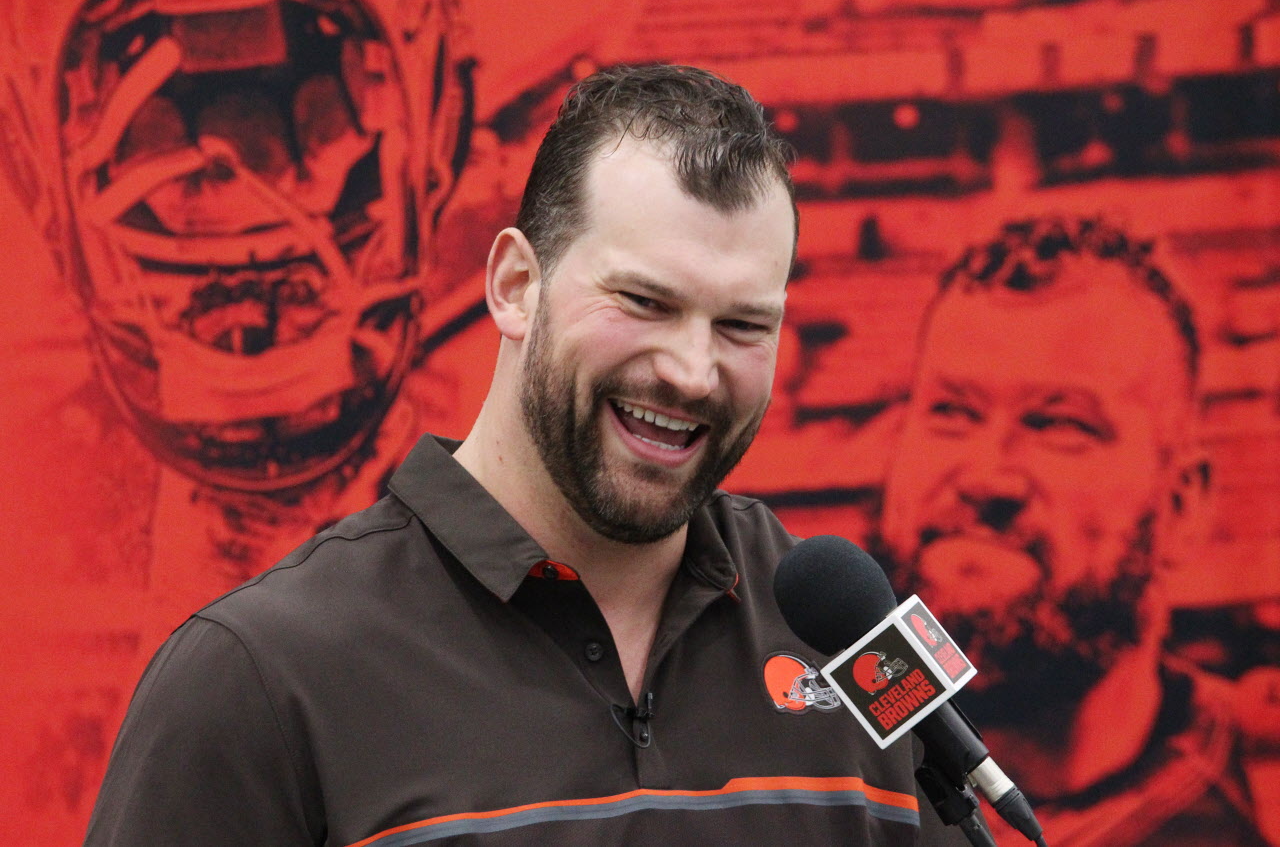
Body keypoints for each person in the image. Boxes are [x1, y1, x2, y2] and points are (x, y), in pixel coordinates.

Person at [82, 63, 971, 846]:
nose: (693, 372)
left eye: (742, 325)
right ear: (514, 285)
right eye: (646, 302)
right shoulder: (259, 678)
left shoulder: (853, 639)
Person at [869, 216, 1275, 846]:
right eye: (952, 412)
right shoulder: (798, 748)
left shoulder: (1251, 797)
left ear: (1182, 505)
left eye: (1060, 424)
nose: (986, 477)